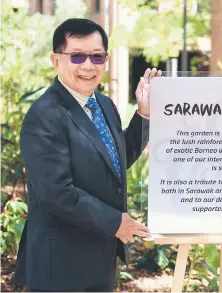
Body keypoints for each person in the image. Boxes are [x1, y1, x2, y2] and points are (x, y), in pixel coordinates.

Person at [14, 18, 161, 291]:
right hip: (60, 267)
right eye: (77, 56)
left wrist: (144, 112)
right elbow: (55, 192)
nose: (88, 66)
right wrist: (115, 222)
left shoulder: (104, 105)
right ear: (55, 60)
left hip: (99, 259)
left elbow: (118, 161)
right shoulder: (45, 115)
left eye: (97, 57)